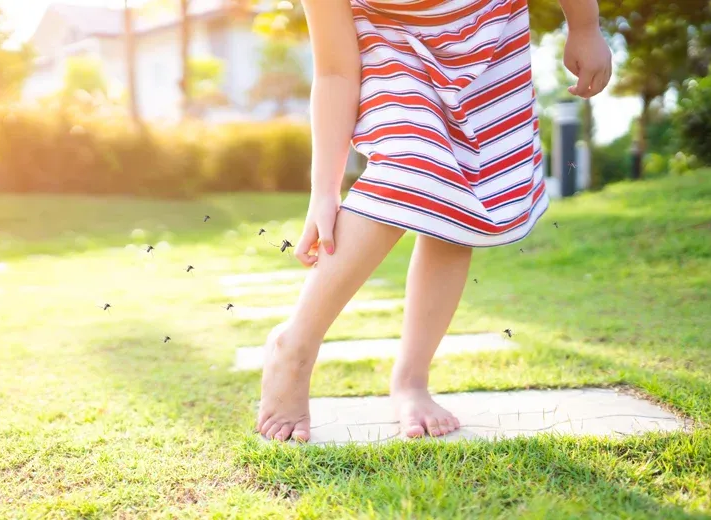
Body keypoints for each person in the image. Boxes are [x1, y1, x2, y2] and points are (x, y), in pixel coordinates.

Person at [255, 0, 612, 442]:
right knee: (410, 160)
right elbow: (335, 72)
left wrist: (585, 26)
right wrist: (324, 191)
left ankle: (411, 380)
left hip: (486, 40)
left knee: (462, 201)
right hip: (393, 43)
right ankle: (295, 345)